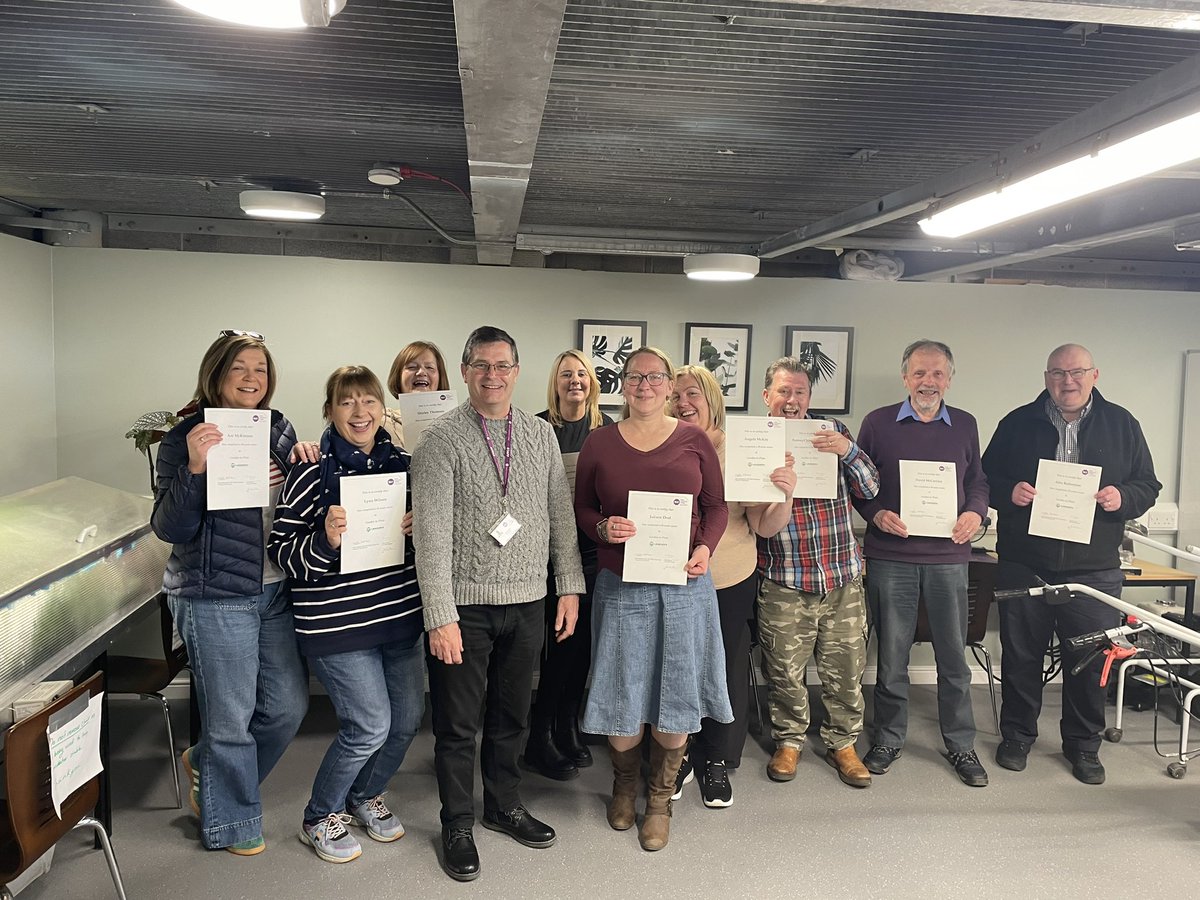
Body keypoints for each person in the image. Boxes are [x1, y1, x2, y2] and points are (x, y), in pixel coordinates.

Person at [411, 326, 583, 883]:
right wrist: (440, 615)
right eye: (481, 365)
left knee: (512, 717)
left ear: (516, 371)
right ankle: (458, 823)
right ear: (465, 372)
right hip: (465, 608)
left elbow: (560, 516)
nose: (492, 375)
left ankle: (504, 805)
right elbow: (430, 536)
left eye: (502, 365)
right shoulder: (440, 441)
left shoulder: (540, 435)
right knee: (457, 726)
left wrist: (569, 586)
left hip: (529, 601)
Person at [150, 330, 309, 856]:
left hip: (274, 587)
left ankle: (204, 763)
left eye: (260, 369)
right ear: (216, 374)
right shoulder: (184, 437)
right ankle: (232, 824)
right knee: (231, 718)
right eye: (239, 367)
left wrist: (303, 462)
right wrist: (196, 469)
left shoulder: (279, 429)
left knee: (287, 707)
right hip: (215, 593)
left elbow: (295, 502)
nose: (251, 378)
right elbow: (169, 528)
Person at [575, 347, 731, 852]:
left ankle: (660, 801)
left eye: (655, 377)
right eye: (635, 377)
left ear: (668, 385)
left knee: (676, 691)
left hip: (684, 587)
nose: (645, 385)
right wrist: (602, 528)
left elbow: (716, 507)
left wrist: (705, 548)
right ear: (623, 384)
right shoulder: (600, 441)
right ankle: (624, 786)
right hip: (620, 586)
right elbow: (582, 507)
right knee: (621, 690)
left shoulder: (694, 440)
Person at [982, 343, 1160, 784]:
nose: (1068, 381)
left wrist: (1123, 498)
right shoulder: (1016, 422)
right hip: (1025, 563)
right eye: (1058, 373)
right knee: (1021, 658)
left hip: (1094, 569)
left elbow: (1147, 485)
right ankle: (1017, 736)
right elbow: (983, 479)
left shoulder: (1122, 424)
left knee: (1090, 663)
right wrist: (1010, 492)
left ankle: (1083, 745)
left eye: (1077, 372)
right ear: (1046, 378)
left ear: (1094, 375)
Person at [268, 366, 425, 863]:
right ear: (330, 411)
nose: (360, 412)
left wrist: (419, 529)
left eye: (368, 400)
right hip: (337, 624)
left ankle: (363, 794)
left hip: (397, 616)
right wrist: (326, 540)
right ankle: (319, 815)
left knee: (406, 722)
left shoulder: (405, 465)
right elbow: (281, 551)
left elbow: (427, 546)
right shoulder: (310, 472)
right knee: (369, 725)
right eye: (347, 402)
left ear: (383, 408)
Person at [853, 339, 991, 787]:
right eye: (919, 373)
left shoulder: (965, 424)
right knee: (891, 657)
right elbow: (857, 482)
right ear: (905, 377)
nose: (927, 382)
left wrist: (975, 512)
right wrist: (876, 514)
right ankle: (888, 738)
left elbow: (978, 481)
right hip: (891, 557)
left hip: (949, 557)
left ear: (949, 379)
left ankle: (961, 743)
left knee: (953, 658)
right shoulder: (877, 423)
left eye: (936, 374)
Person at [667, 364, 796, 807]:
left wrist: (785, 494)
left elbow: (763, 524)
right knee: (678, 669)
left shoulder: (740, 449)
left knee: (723, 670)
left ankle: (716, 759)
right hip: (672, 580)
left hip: (728, 579)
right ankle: (678, 754)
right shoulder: (661, 444)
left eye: (693, 394)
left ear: (712, 400)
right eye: (676, 395)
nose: (684, 403)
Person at [754, 358, 880, 789]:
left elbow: (871, 488)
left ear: (809, 397)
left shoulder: (833, 432)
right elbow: (752, 517)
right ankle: (789, 742)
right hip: (785, 578)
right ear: (767, 395)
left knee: (846, 670)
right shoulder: (755, 441)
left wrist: (848, 451)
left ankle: (843, 743)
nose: (792, 400)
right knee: (784, 672)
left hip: (841, 577)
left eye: (800, 392)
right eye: (783, 391)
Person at [523, 350, 615, 781]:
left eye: (582, 373)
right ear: (555, 383)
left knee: (581, 648)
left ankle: (568, 726)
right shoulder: (536, 428)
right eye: (566, 374)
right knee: (556, 647)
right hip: (548, 556)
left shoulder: (608, 430)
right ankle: (539, 734)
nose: (574, 380)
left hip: (594, 552)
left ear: (592, 382)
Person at [382, 340, 451, 448]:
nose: (421, 372)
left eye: (429, 367)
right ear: (398, 377)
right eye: (412, 367)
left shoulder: (456, 424)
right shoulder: (381, 422)